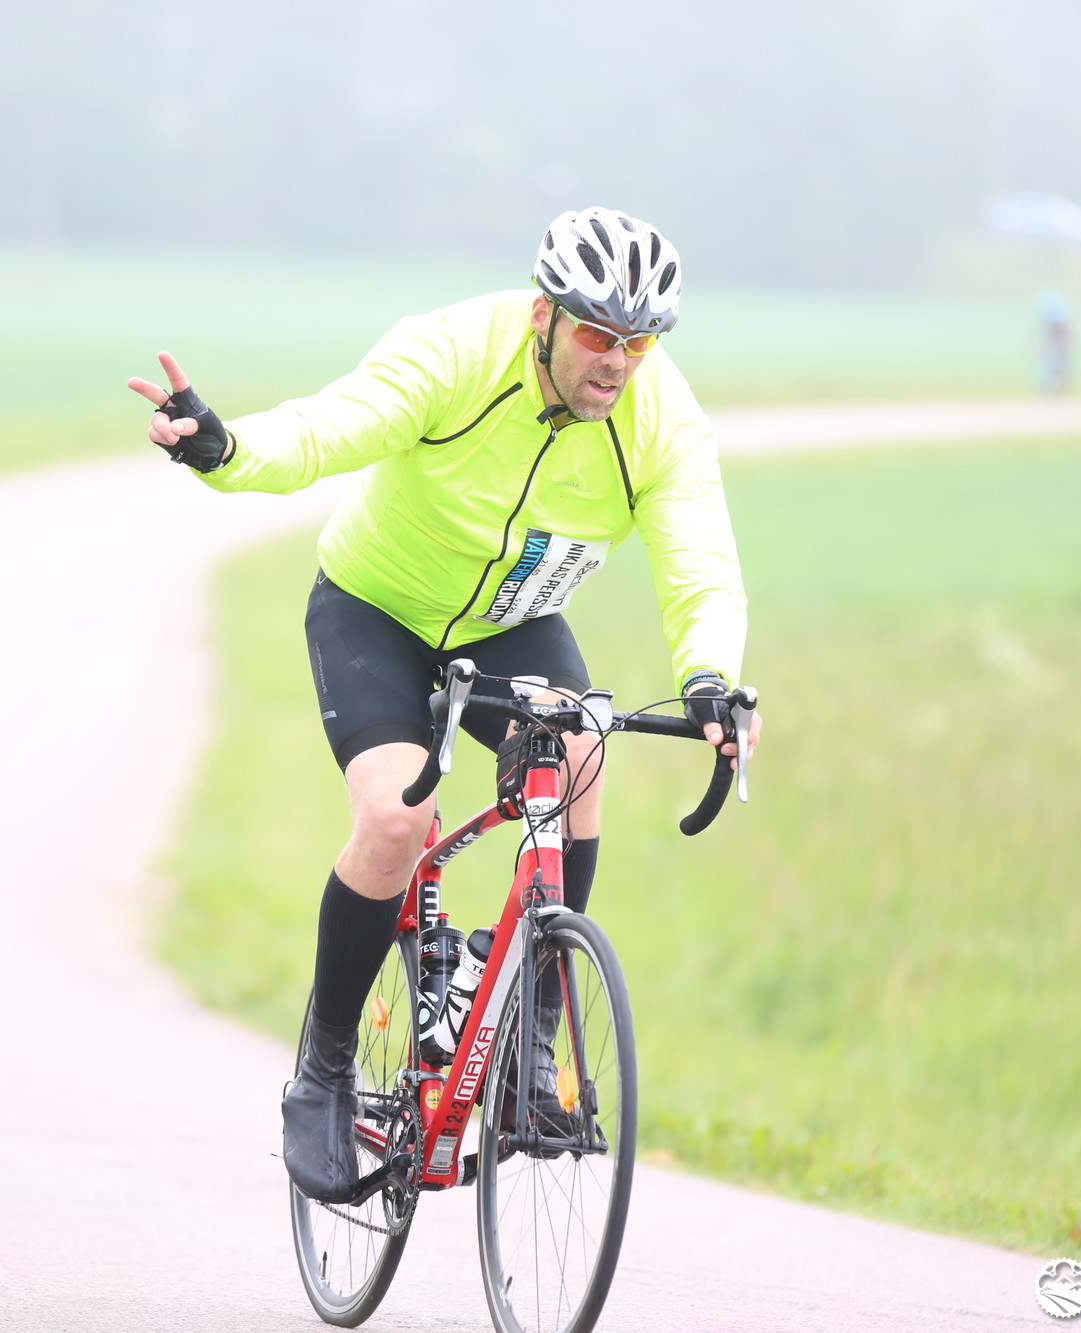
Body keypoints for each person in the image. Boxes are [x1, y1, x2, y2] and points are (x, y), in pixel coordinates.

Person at [127, 207, 762, 1204]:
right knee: (394, 818)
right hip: (377, 609)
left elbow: (701, 562)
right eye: (598, 332)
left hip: (510, 624)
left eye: (639, 341)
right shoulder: (457, 352)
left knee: (580, 755)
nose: (617, 360)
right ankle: (325, 1067)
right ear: (546, 315)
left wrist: (711, 679)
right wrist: (225, 448)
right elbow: (332, 426)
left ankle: (531, 1044)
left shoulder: (660, 422)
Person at [1036, 290, 1073, 395]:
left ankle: (1058, 391)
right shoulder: (1056, 319)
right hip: (1055, 346)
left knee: (1060, 369)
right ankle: (1052, 391)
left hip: (1059, 346)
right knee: (1051, 369)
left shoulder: (1059, 319)